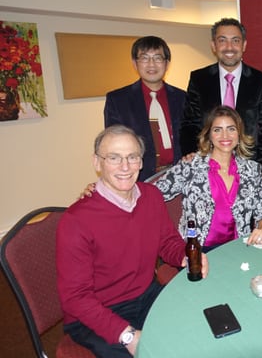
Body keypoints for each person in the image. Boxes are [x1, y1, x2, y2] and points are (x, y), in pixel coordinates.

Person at [56, 125, 209, 357]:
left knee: (197, 328)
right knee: (146, 351)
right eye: (114, 158)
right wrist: (126, 335)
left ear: (141, 161)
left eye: (132, 157)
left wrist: (185, 256)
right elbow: (75, 299)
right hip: (95, 313)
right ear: (97, 163)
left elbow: (167, 242)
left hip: (145, 294)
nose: (125, 167)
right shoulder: (75, 221)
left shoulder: (151, 196)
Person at [154, 105, 262, 251]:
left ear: (239, 134)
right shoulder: (191, 165)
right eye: (217, 130)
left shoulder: (252, 170)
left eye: (231, 129)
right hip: (198, 253)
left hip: (239, 248)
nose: (225, 136)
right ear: (209, 135)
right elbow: (152, 194)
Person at [180, 18, 262, 170]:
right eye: (222, 40)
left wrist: (261, 171)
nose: (229, 47)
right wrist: (192, 156)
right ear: (214, 45)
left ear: (244, 45)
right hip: (207, 167)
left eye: (235, 40)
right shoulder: (199, 79)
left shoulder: (260, 81)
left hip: (248, 167)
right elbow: (190, 124)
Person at [104, 36, 186, 181]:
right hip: (140, 179)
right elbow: (114, 146)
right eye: (144, 58)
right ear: (135, 64)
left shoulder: (183, 98)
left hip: (181, 175)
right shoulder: (118, 100)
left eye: (157, 58)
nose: (151, 64)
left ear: (167, 64)